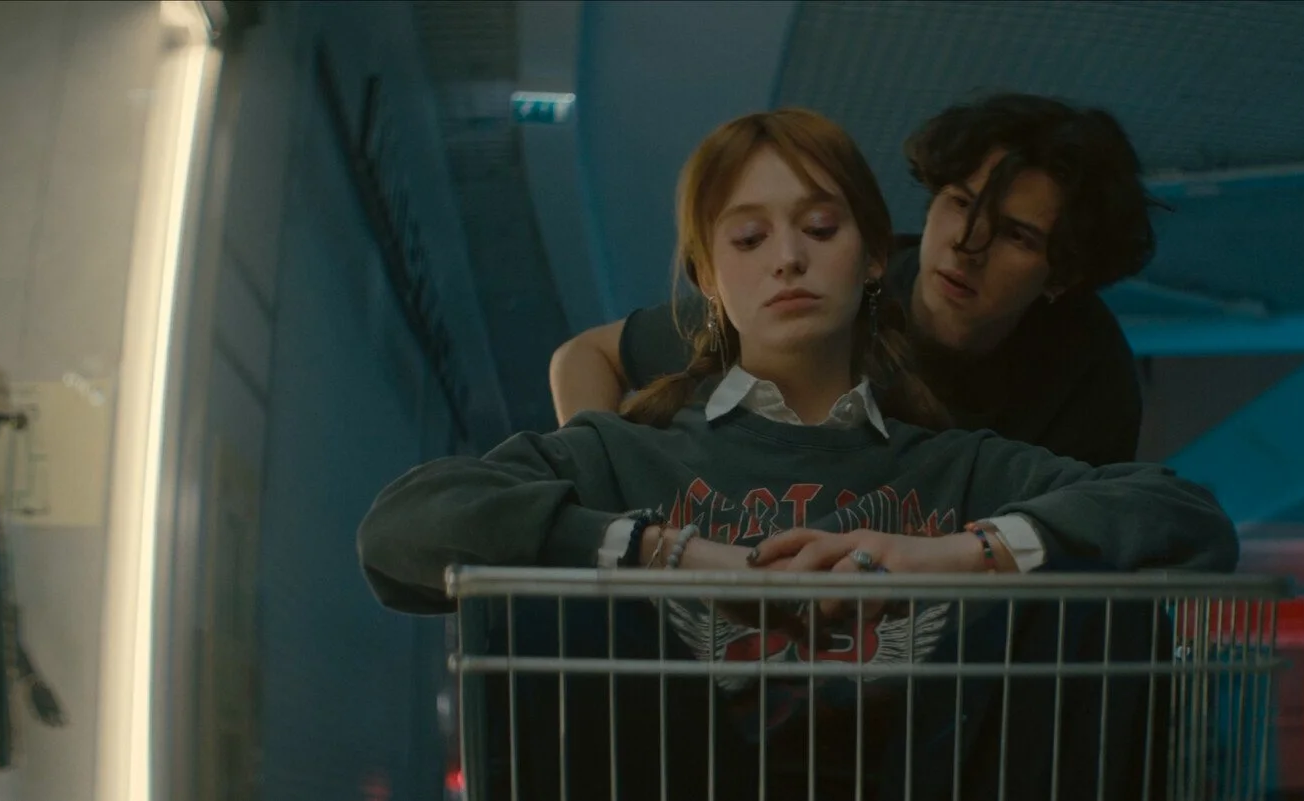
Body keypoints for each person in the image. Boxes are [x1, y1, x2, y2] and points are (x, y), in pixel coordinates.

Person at [359, 108, 1235, 800]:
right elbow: (403, 529)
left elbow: (1183, 520)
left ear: (873, 262)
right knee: (555, 588)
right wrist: (660, 551)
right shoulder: (623, 454)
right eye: (747, 240)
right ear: (709, 280)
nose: (787, 259)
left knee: (1084, 587)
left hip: (920, 768)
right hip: (668, 766)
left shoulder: (965, 466)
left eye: (821, 228)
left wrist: (952, 555)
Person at [549, 93, 1161, 466]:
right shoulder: (828, 290)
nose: (965, 245)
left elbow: (1083, 541)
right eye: (957, 201)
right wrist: (601, 480)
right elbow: (586, 356)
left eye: (1015, 235)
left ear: (1064, 276)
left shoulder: (1089, 369)